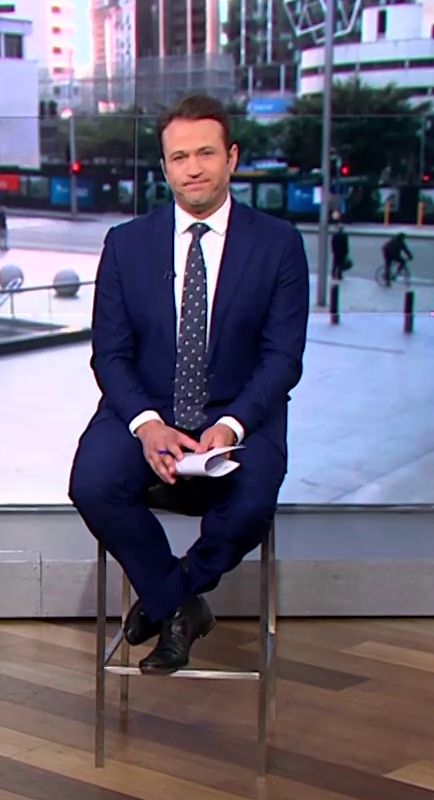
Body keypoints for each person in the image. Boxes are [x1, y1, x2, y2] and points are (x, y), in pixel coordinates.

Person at [69, 94, 309, 673]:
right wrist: (147, 425)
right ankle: (181, 607)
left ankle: (169, 595)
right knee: (93, 483)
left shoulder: (278, 243)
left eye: (206, 153)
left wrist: (231, 425)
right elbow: (110, 354)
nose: (193, 168)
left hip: (239, 412)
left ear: (232, 157)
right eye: (180, 157)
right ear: (165, 167)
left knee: (250, 504)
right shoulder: (126, 244)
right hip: (148, 409)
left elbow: (283, 358)